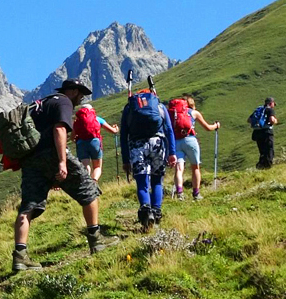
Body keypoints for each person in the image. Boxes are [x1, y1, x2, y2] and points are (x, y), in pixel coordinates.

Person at [12, 79, 118, 273]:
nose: (81, 99)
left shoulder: (38, 105)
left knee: (27, 207)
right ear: (74, 91)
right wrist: (61, 162)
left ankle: (20, 257)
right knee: (89, 189)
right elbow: (60, 129)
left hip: (30, 160)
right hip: (52, 153)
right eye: (81, 95)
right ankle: (96, 239)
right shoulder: (63, 102)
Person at [120, 85, 177, 231]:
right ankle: (156, 213)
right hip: (158, 144)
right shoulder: (159, 106)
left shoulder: (130, 108)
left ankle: (146, 210)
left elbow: (123, 134)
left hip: (137, 146)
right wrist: (172, 153)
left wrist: (126, 160)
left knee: (142, 182)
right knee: (157, 181)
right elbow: (169, 130)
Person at [170, 95, 220, 200]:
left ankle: (180, 193)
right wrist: (216, 126)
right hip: (190, 141)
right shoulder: (194, 113)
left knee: (179, 168)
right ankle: (196, 194)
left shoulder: (174, 114)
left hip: (176, 141)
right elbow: (207, 128)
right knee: (195, 167)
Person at [72, 103, 119, 183]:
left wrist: (76, 140)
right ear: (92, 109)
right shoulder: (97, 119)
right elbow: (113, 131)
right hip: (95, 143)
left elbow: (72, 137)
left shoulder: (77, 121)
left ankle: (85, 182)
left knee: (85, 165)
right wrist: (116, 129)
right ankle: (94, 182)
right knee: (97, 167)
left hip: (81, 144)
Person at [250, 97, 278, 169]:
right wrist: (275, 121)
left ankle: (261, 165)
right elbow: (272, 120)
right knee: (269, 149)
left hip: (257, 132)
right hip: (266, 132)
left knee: (262, 150)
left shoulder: (259, 110)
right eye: (273, 104)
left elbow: (249, 120)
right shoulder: (270, 110)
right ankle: (268, 166)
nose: (273, 106)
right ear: (271, 103)